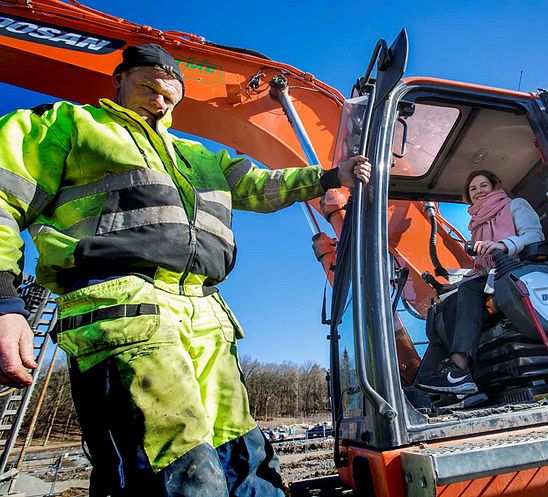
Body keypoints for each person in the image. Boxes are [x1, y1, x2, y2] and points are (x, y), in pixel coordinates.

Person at [0, 44, 370, 496]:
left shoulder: (200, 157)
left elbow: (259, 185)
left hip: (206, 316)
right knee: (178, 473)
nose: (160, 99)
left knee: (246, 462)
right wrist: (5, 302)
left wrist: (332, 177)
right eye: (147, 86)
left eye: (170, 92)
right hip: (123, 310)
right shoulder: (68, 126)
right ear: (118, 81)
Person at [416, 170, 543, 403]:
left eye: (483, 185)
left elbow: (534, 236)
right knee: (449, 302)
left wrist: (503, 245)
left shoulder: (515, 205)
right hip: (493, 277)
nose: (478, 192)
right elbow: (481, 269)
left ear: (495, 186)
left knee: (470, 290)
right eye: (473, 189)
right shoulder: (476, 224)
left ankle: (459, 367)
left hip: (520, 270)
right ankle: (459, 383)